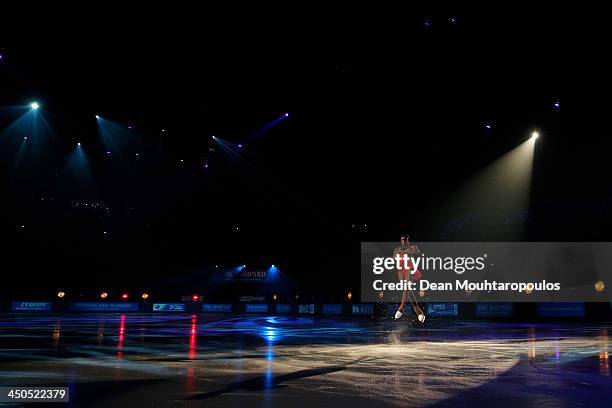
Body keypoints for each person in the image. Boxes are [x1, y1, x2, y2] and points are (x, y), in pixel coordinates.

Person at [393, 234, 426, 323]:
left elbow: (417, 252)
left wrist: (408, 252)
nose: (404, 241)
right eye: (402, 240)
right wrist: (397, 255)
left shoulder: (412, 247)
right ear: (400, 241)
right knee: (406, 289)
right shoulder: (397, 249)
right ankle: (417, 310)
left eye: (406, 240)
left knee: (407, 287)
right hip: (400, 270)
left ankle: (401, 307)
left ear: (408, 240)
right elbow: (394, 258)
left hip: (410, 268)